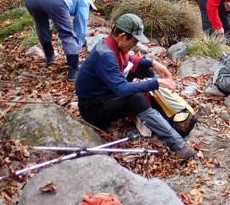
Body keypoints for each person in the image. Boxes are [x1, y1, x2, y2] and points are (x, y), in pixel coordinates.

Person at [75, 13, 195, 160]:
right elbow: (122, 89)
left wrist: (153, 63)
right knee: (136, 98)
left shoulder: (111, 44)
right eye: (134, 41)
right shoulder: (105, 56)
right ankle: (178, 145)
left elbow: (130, 60)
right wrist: (157, 83)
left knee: (145, 70)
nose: (135, 45)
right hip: (94, 109)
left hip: (108, 93)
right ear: (122, 36)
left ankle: (158, 116)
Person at [24, 0, 97, 81]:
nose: (88, 9)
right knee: (67, 33)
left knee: (41, 25)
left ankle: (49, 58)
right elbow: (80, 29)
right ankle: (74, 71)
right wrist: (76, 50)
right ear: (89, 1)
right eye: (90, 8)